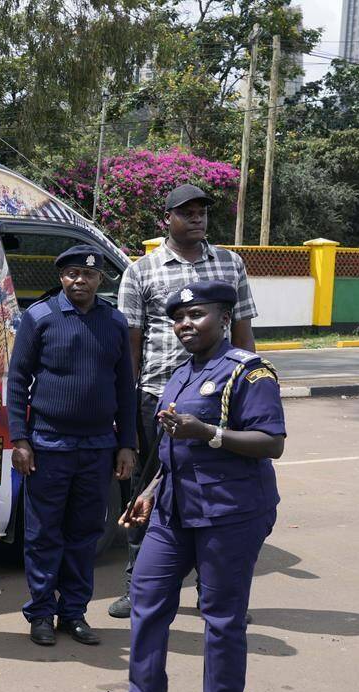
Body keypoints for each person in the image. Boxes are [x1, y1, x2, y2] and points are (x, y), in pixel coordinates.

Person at [99, 281, 284, 692]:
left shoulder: (250, 373)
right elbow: (170, 447)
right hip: (174, 506)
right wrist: (150, 489)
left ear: (224, 318)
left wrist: (208, 432)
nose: (185, 324)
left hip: (231, 511)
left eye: (196, 314)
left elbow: (272, 442)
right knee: (147, 592)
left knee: (220, 616)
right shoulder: (181, 374)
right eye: (178, 318)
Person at [109, 184, 259, 619]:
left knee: (213, 492)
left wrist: (253, 379)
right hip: (159, 396)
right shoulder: (143, 271)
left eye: (202, 212)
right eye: (187, 212)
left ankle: (213, 591)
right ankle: (138, 586)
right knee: (145, 490)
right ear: (167, 219)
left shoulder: (230, 264)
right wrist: (127, 402)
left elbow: (244, 330)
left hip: (220, 399)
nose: (197, 219)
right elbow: (131, 343)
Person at [8, 244, 137, 646]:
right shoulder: (40, 317)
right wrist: (20, 439)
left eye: (89, 274)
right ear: (61, 277)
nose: (80, 280)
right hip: (47, 443)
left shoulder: (114, 322)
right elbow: (16, 380)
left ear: (100, 279)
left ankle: (74, 613)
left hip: (98, 446)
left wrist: (127, 444)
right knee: (44, 534)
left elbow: (124, 389)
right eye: (72, 274)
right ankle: (42, 614)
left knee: (84, 534)